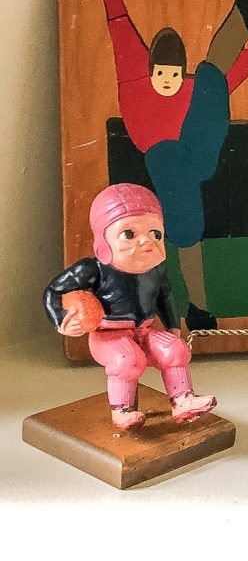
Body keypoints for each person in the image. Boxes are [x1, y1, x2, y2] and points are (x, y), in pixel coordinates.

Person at [78, 0, 248, 247]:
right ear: (151, 70)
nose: (168, 81)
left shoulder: (188, 90)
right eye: (162, 74)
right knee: (206, 81)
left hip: (194, 150)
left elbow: (221, 86)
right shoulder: (137, 85)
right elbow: (120, 31)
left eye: (175, 74)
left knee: (208, 76)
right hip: (184, 162)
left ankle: (244, 20)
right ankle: (244, 21)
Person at [44, 183, 216, 431]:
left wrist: (173, 327)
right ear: (104, 239)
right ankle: (122, 410)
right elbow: (54, 290)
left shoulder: (155, 269)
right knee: (128, 359)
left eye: (155, 233)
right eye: (129, 234)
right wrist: (61, 319)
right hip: (108, 333)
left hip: (145, 329)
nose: (146, 241)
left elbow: (165, 297)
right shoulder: (92, 269)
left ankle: (182, 400)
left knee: (175, 351)